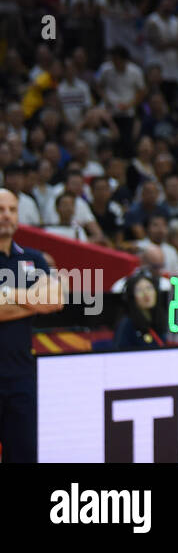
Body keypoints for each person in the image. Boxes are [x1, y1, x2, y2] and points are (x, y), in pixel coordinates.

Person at [0, 188, 64, 462]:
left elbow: (56, 299)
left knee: (25, 453)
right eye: (1, 210)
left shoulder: (33, 258)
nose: (6, 216)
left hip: (21, 375)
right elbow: (42, 300)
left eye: (12, 210)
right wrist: (31, 301)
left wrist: (8, 295)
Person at [113, 271, 169, 350]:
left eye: (149, 288)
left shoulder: (162, 319)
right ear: (131, 296)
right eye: (139, 290)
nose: (146, 294)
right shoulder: (127, 324)